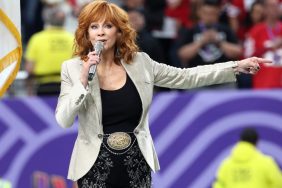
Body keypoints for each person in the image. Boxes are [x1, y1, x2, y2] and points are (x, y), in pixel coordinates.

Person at [55, 1, 269, 187]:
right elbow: (63, 120)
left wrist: (235, 66)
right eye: (94, 27)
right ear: (86, 33)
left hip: (135, 165)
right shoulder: (72, 69)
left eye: (108, 26)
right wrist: (82, 82)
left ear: (119, 32)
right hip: (94, 168)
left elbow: (186, 77)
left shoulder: (141, 63)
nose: (101, 32)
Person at [25, 4, 74, 95]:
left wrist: (29, 89)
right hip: (67, 89)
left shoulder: (36, 39)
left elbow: (29, 68)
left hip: (43, 88)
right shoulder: (73, 39)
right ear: (64, 21)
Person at [213, 128, 282, 188]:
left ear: (240, 140)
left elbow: (218, 186)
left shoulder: (226, 165)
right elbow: (279, 183)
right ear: (256, 143)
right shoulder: (266, 163)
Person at [244, 0, 282, 89]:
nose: (275, 9)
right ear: (264, 9)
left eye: (277, 6)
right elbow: (246, 57)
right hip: (263, 84)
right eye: (271, 6)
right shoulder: (255, 31)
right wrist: (267, 47)